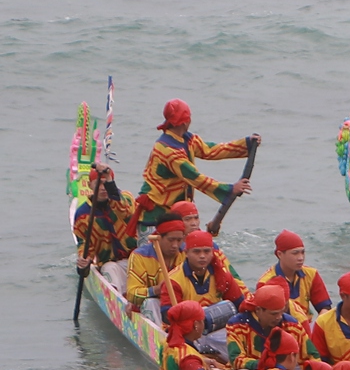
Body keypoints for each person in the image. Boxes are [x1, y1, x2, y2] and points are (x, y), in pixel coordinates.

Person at [132, 99, 254, 231]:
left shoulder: (187, 139)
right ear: (185, 122)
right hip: (155, 214)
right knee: (155, 250)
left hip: (175, 211)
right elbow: (194, 177)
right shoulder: (166, 150)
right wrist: (230, 190)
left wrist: (246, 144)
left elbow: (209, 150)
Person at [162, 229, 247, 355]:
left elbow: (240, 305)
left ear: (213, 253)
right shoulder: (173, 280)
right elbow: (167, 315)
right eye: (196, 252)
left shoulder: (222, 276)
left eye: (207, 251)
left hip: (214, 329)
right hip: (186, 333)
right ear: (186, 253)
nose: (202, 256)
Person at [223, 283, 302, 370]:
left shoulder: (292, 325)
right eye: (274, 314)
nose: (279, 317)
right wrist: (264, 365)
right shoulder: (236, 324)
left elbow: (311, 356)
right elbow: (236, 359)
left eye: (282, 312)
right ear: (258, 310)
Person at [258, 231, 333, 323]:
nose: (301, 258)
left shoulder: (312, 274)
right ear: (279, 254)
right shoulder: (266, 282)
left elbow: (325, 307)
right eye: (295, 253)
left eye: (302, 252)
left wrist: (318, 326)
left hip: (307, 327)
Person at [73, 164, 139, 267]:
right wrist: (84, 259)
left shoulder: (126, 199)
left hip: (138, 257)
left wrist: (109, 178)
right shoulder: (83, 214)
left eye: (106, 183)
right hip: (109, 264)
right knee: (110, 268)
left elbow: (123, 211)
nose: (103, 188)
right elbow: (84, 244)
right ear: (90, 185)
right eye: (98, 184)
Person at [124, 217, 187, 320]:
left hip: (181, 302)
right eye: (171, 240)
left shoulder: (186, 253)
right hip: (156, 304)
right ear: (158, 237)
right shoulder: (139, 256)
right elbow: (131, 294)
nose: (175, 245)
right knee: (151, 303)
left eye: (179, 240)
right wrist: (157, 290)